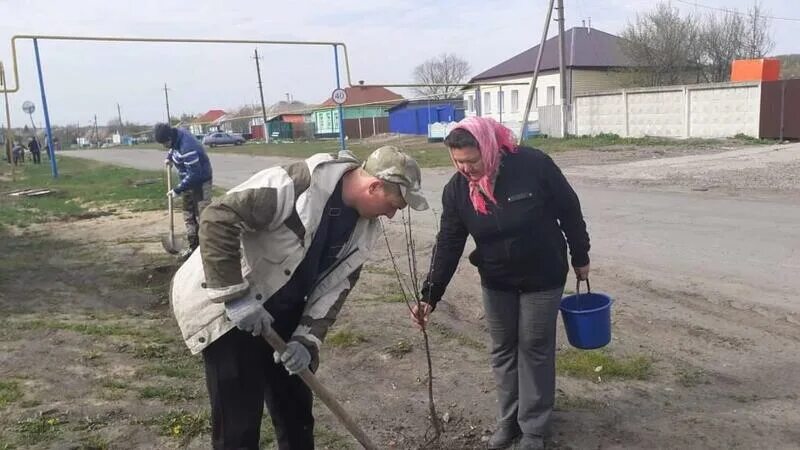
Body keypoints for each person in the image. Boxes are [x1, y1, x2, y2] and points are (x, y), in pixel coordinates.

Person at [170, 146, 428, 449]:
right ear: (374, 186)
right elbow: (218, 217)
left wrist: (306, 340)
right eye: (393, 204)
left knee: (296, 415)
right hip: (231, 311)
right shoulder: (296, 185)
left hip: (285, 313)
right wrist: (235, 296)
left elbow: (335, 290)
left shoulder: (365, 231)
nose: (392, 214)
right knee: (238, 425)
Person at [412, 117, 591, 450]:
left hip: (542, 275)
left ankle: (534, 428)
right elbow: (449, 241)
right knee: (502, 349)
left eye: (472, 160)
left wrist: (581, 255)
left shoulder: (533, 165)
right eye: (458, 161)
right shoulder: (457, 190)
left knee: (534, 348)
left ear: (489, 147)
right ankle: (509, 420)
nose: (465, 168)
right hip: (496, 279)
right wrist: (430, 295)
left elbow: (569, 209)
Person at [154, 123, 213, 260]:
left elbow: (195, 175)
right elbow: (173, 148)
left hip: (200, 182)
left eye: (165, 143)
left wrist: (177, 190)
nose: (164, 146)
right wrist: (169, 157)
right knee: (188, 215)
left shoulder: (188, 147)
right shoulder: (175, 136)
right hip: (188, 182)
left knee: (202, 216)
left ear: (169, 137)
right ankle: (193, 247)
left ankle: (207, 249)